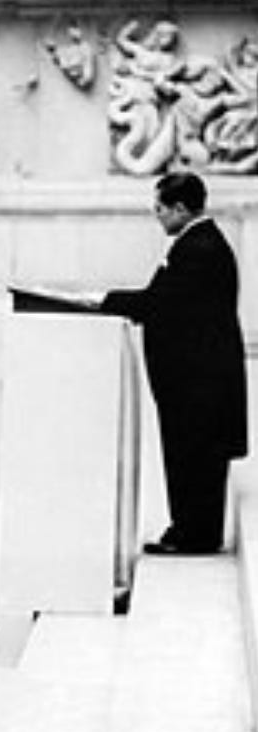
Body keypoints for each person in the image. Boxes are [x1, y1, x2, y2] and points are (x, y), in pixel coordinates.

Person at [100, 172, 247, 555]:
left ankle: (194, 534)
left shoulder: (198, 249)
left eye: (160, 209)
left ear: (180, 208)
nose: (157, 217)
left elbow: (161, 303)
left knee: (193, 455)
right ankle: (190, 529)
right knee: (192, 454)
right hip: (198, 377)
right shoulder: (200, 243)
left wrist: (105, 301)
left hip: (198, 380)